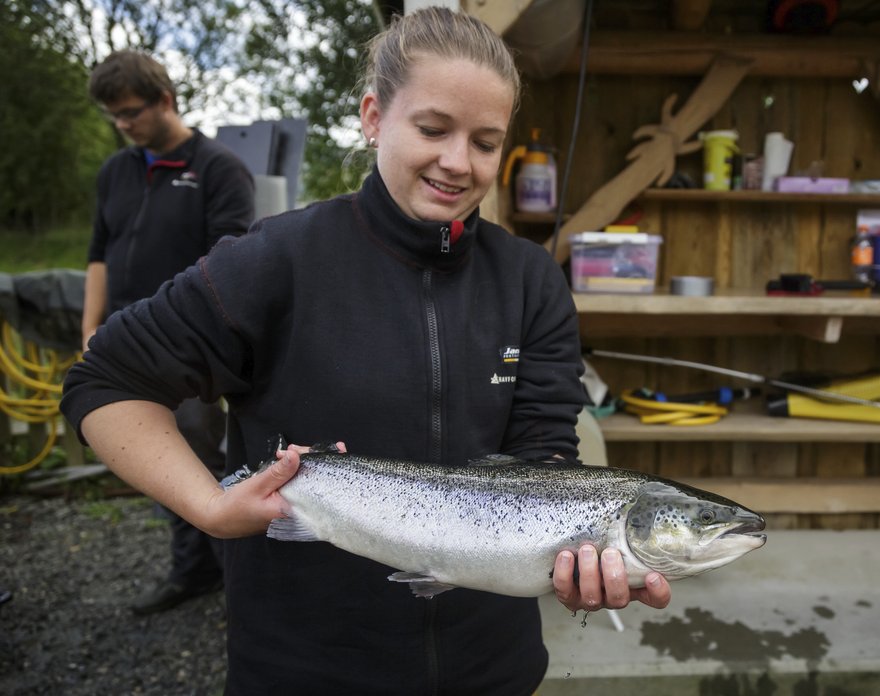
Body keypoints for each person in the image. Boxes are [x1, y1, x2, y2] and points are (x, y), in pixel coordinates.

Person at [61, 7, 671, 694]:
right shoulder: (277, 259)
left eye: (485, 142)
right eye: (433, 129)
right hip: (303, 671)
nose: (457, 162)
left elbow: (545, 452)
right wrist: (208, 506)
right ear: (374, 117)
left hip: (490, 671)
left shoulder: (532, 281)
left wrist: (584, 557)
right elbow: (104, 382)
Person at [81, 50, 256, 615]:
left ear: (165, 100)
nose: (122, 124)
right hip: (123, 347)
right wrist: (91, 329)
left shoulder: (219, 169)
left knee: (200, 463)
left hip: (187, 351)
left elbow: (229, 267)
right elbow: (99, 254)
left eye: (130, 112)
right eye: (113, 115)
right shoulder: (116, 171)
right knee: (155, 467)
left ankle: (242, 584)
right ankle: (192, 571)